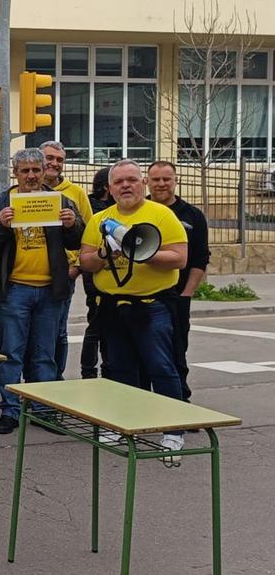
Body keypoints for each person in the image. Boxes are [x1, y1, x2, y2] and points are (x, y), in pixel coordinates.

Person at [79, 160, 188, 457]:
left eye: (131, 180)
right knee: (120, 369)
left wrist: (142, 252)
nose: (125, 186)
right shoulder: (99, 219)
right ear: (110, 188)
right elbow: (85, 261)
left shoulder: (161, 214)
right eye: (119, 182)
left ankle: (173, 430)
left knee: (161, 366)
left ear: (142, 183)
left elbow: (179, 258)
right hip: (113, 306)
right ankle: (125, 425)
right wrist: (104, 253)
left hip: (153, 304)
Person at [0, 148, 83, 435]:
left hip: (50, 290)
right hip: (14, 290)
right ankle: (10, 411)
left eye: (36, 170)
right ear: (15, 173)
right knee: (12, 353)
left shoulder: (61, 201)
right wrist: (1, 226)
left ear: (44, 171)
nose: (31, 176)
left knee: (44, 355)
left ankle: (43, 410)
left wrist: (72, 225)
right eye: (25, 170)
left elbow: (78, 240)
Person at [148, 161, 210, 402]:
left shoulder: (193, 216)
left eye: (167, 179)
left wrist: (187, 294)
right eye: (156, 179)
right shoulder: (138, 212)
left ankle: (180, 402)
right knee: (140, 356)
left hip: (176, 298)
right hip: (142, 296)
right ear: (147, 182)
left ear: (176, 180)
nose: (161, 184)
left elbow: (200, 258)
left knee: (176, 352)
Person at [40, 141, 93, 380]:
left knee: (58, 332)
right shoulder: (25, 188)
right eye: (49, 158)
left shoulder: (76, 193)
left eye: (59, 160)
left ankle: (56, 380)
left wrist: (77, 266)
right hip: (28, 275)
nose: (54, 163)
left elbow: (90, 232)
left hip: (63, 275)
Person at [80, 167, 114, 379]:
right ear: (107, 187)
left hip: (112, 277)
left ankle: (105, 369)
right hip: (96, 276)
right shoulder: (96, 211)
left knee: (103, 328)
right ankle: (91, 371)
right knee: (96, 326)